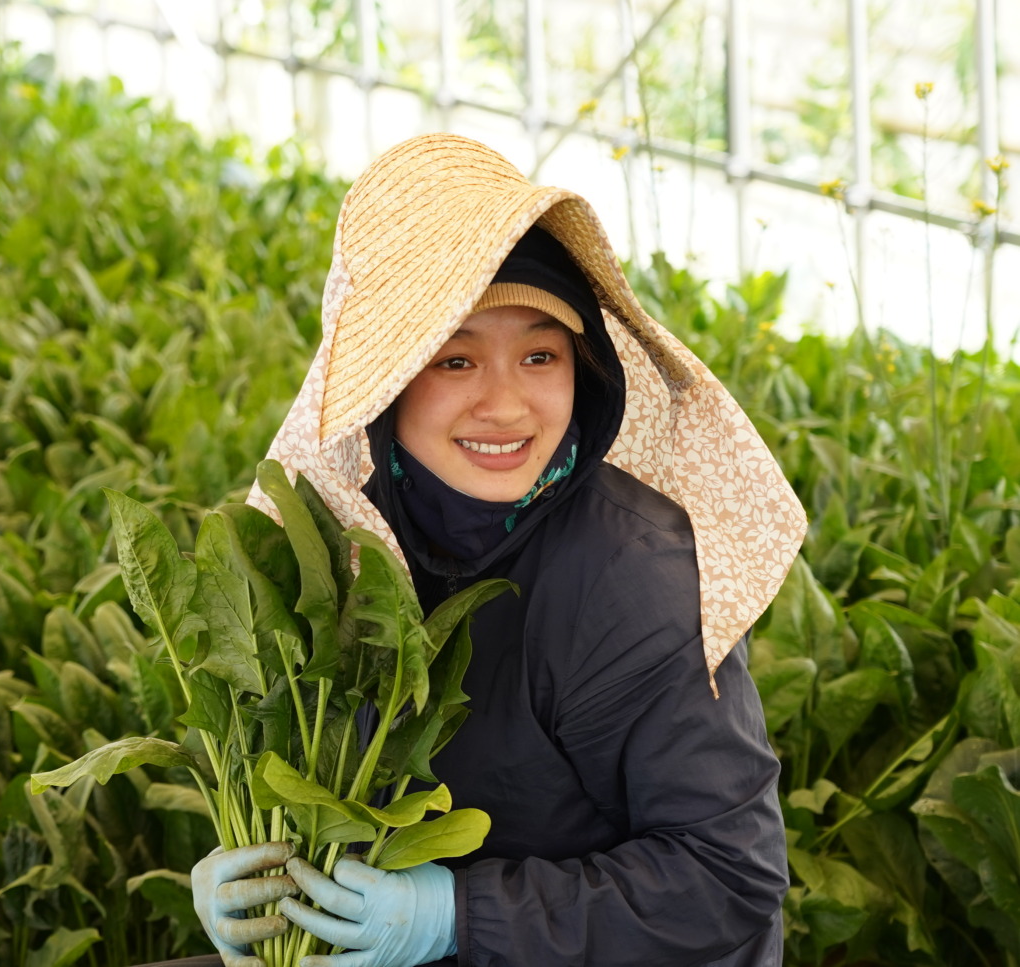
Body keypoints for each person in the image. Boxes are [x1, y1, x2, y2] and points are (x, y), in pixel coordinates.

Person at [191, 133, 807, 967]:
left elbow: (728, 879)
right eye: (456, 357)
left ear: (581, 371)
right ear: (386, 384)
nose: (507, 404)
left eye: (540, 354)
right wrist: (261, 885)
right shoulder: (335, 543)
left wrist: (455, 915)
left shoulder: (631, 582)